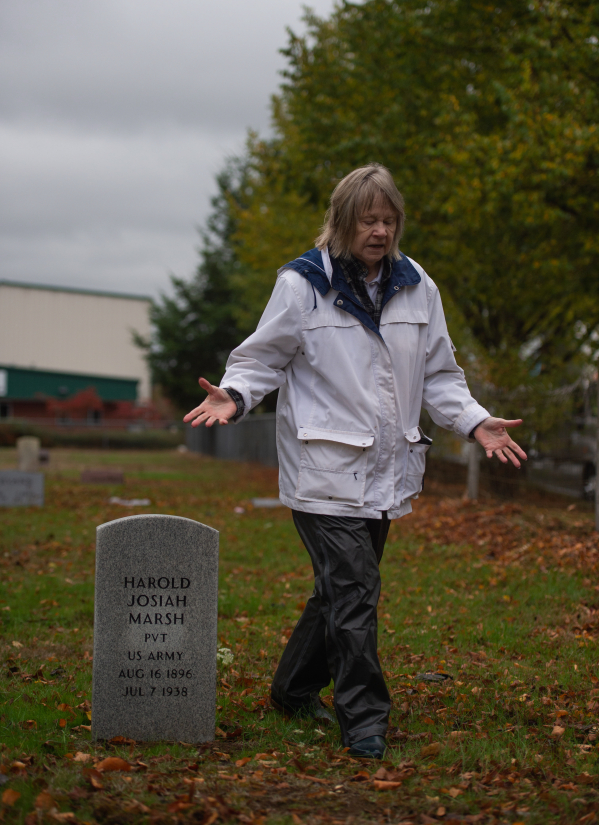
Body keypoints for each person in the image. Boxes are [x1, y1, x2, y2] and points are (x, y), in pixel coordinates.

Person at [184, 163, 526, 759]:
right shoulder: (301, 285)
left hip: (388, 472)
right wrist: (234, 395)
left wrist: (475, 420)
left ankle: (292, 690)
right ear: (342, 222)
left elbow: (440, 375)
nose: (380, 231)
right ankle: (364, 718)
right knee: (356, 588)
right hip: (323, 471)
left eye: (389, 220)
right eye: (368, 219)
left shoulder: (419, 286)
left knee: (340, 592)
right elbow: (262, 359)